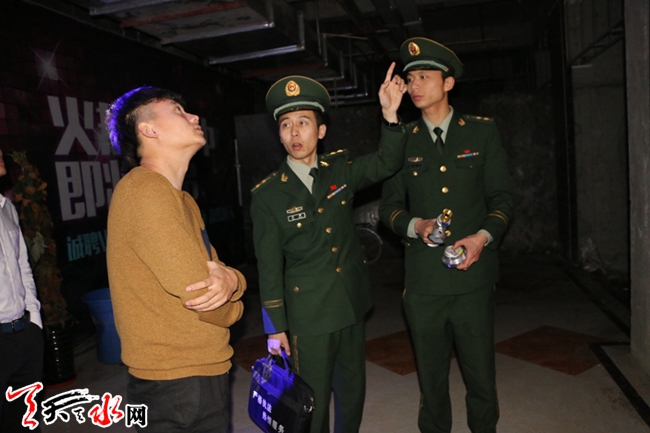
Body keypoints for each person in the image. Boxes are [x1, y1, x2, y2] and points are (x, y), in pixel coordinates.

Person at [250, 64, 407, 433]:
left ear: (320, 131)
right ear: (279, 134)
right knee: (312, 401)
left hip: (350, 304)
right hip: (309, 316)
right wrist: (275, 328)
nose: (294, 132)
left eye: (303, 122)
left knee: (352, 392)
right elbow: (268, 266)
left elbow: (387, 162)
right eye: (285, 124)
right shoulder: (268, 195)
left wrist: (389, 114)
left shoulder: (339, 170)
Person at [379, 37, 515, 433]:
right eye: (410, 78)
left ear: (448, 82)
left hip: (473, 278)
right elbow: (389, 208)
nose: (415, 85)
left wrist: (481, 238)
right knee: (431, 379)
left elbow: (502, 199)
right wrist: (416, 226)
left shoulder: (481, 133)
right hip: (423, 283)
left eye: (424, 76)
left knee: (481, 375)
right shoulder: (402, 138)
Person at [105, 86, 246, 433]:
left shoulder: (180, 199)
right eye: (178, 110)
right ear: (148, 129)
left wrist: (233, 281)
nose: (194, 116)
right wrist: (235, 306)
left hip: (185, 377)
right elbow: (202, 292)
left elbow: (219, 272)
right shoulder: (145, 190)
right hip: (176, 382)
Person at [0, 149, 44, 433]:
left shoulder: (7, 208)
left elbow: (22, 266)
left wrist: (34, 321)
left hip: (23, 333)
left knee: (25, 424)